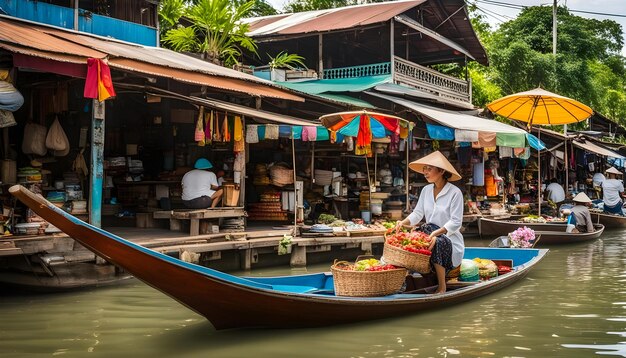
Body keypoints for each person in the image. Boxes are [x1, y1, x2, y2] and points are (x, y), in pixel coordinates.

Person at [394, 151, 464, 294]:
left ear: (442, 170)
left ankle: (442, 286)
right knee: (409, 240)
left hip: (450, 240)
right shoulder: (426, 190)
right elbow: (418, 213)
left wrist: (436, 233)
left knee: (437, 242)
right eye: (424, 168)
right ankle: (405, 280)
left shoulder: (455, 192)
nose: (425, 172)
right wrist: (403, 222)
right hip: (429, 232)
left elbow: (456, 222)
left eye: (429, 169)